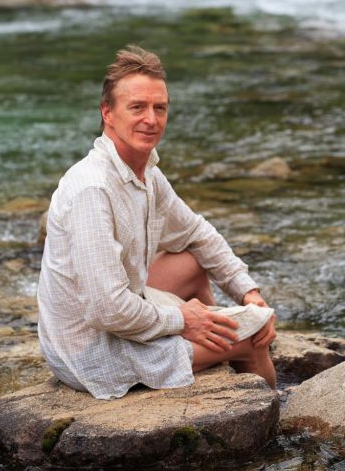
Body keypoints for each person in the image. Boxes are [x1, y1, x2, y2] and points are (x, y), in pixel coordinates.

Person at [37, 45, 277, 400]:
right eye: (137, 107)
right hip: (88, 350)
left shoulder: (148, 173)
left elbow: (197, 233)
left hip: (119, 310)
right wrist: (185, 321)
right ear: (108, 113)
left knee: (192, 263)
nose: (151, 119)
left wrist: (249, 293)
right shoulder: (92, 188)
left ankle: (211, 341)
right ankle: (265, 408)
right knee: (250, 340)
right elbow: (108, 310)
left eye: (159, 108)